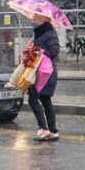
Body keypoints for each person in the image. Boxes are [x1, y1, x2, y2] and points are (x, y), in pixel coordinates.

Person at [28, 13, 60, 142]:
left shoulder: (50, 34)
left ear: (44, 19)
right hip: (39, 72)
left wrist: (38, 51)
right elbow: (38, 51)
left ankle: (45, 129)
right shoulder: (40, 33)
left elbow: (54, 51)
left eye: (36, 18)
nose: (33, 20)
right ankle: (52, 131)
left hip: (46, 73)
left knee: (33, 99)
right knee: (45, 100)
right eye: (33, 18)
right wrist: (32, 46)